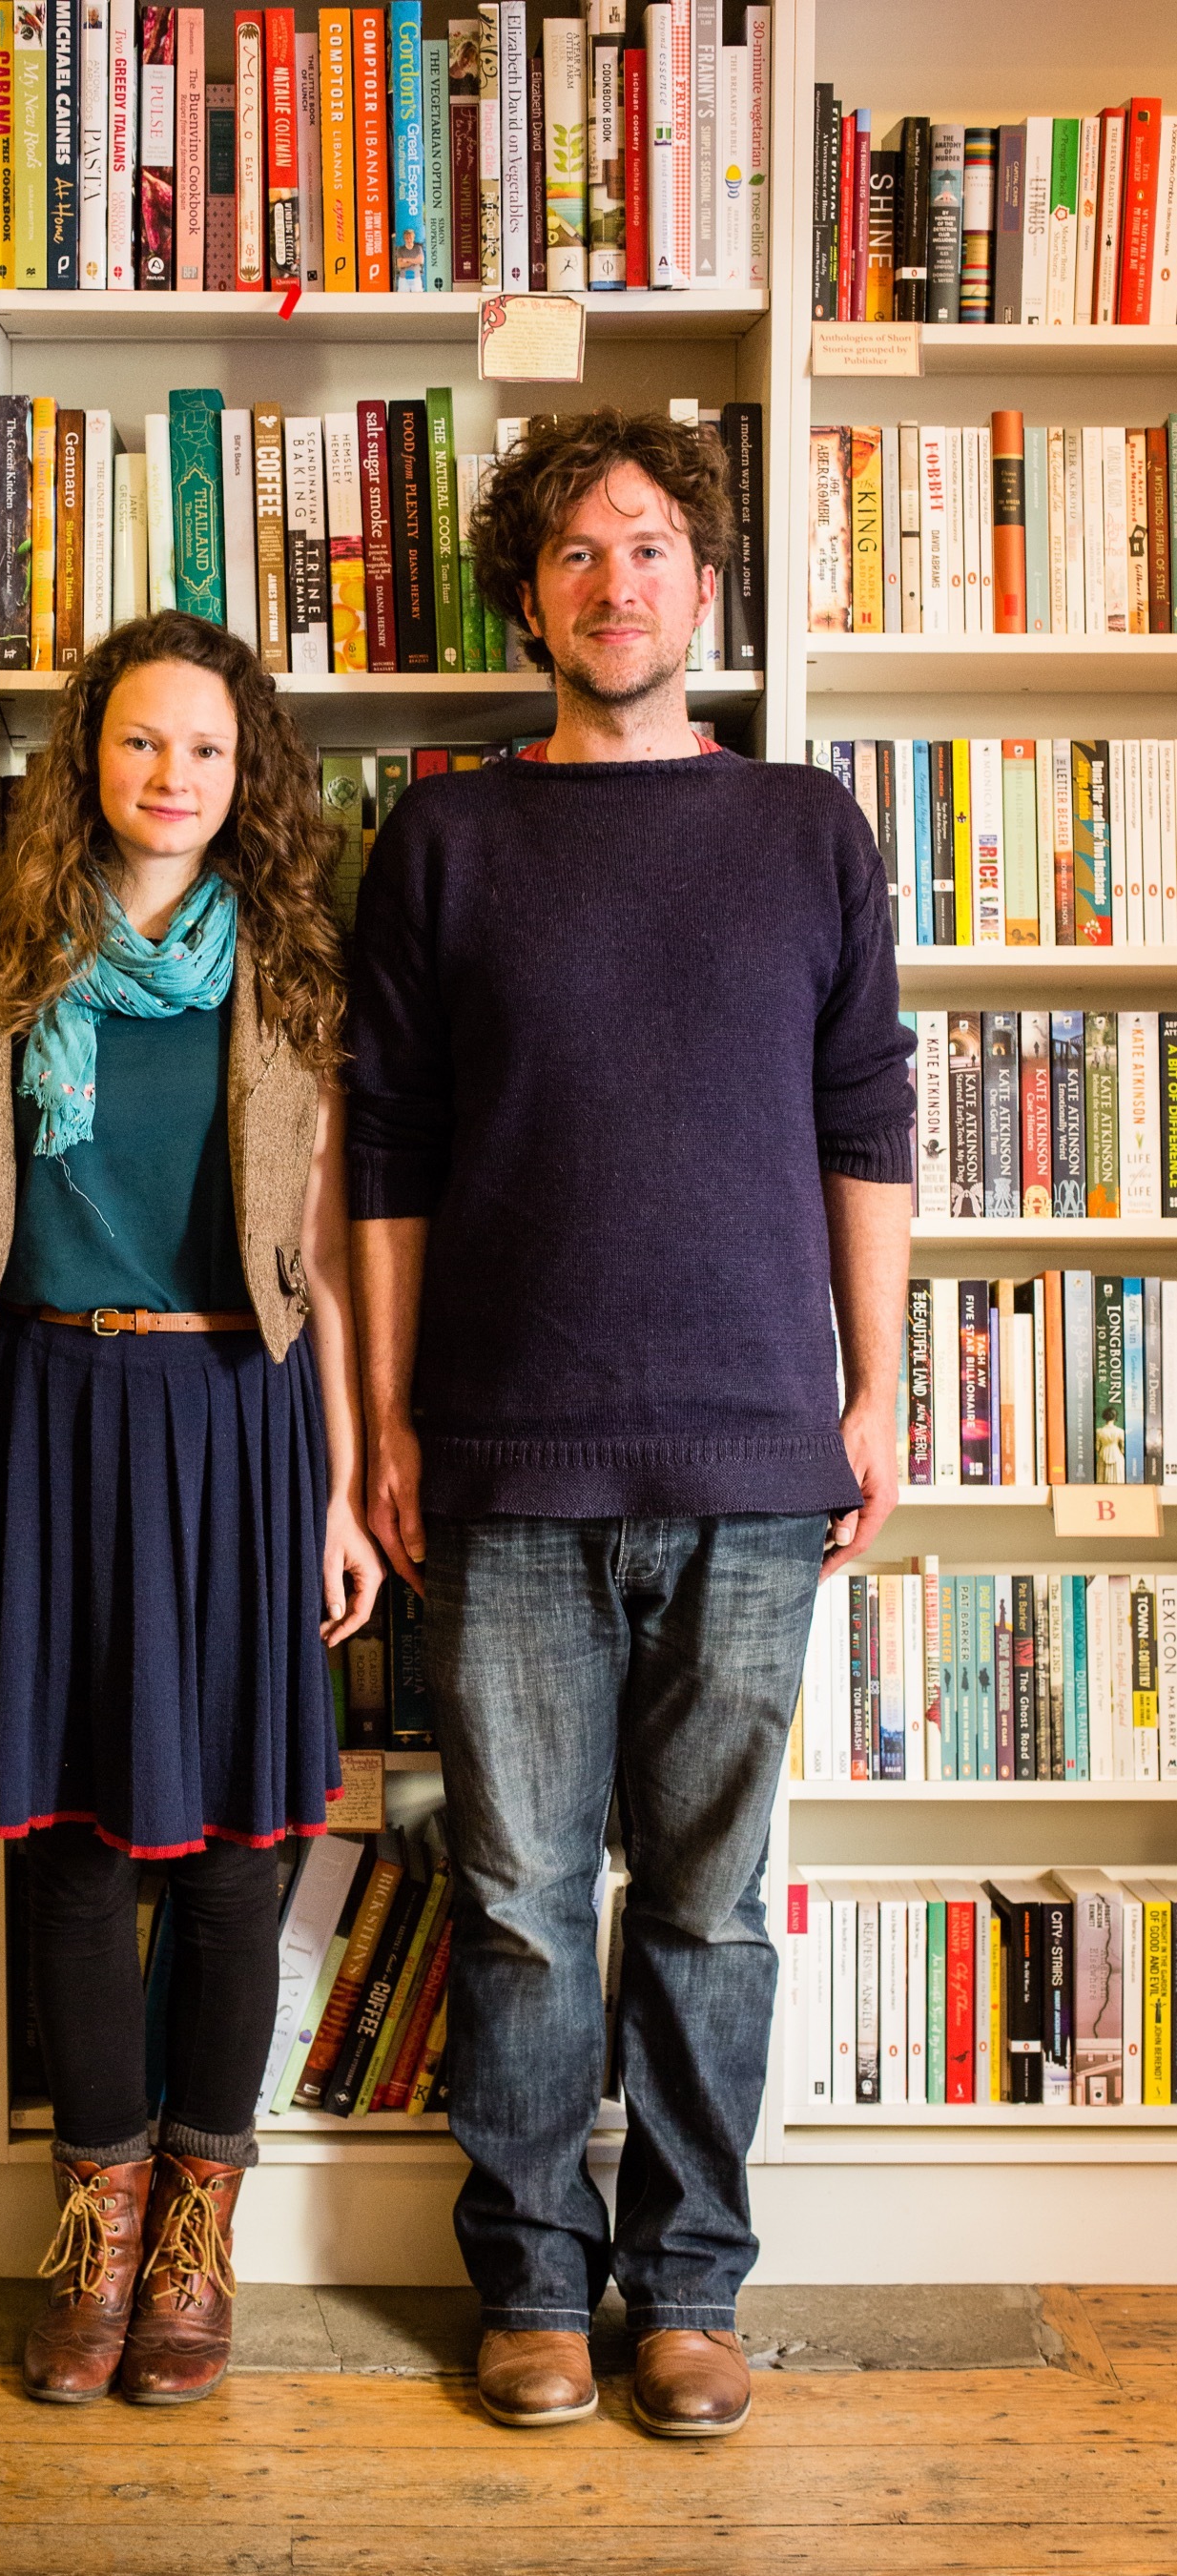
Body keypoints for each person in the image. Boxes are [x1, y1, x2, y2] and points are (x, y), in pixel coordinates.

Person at [345, 408, 915, 2439]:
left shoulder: (804, 831)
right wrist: (398, 1416)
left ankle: (685, 2287)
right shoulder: (444, 838)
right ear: (528, 595)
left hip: (757, 1460)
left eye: (652, 544)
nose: (618, 580)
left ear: (705, 583)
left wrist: (877, 1388)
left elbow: (866, 1129)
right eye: (578, 551)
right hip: (501, 1460)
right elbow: (383, 1156)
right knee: (509, 1897)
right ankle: (527, 2282)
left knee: (705, 1906)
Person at [0, 611, 380, 2408]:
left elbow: (322, 1264)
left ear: (246, 770)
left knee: (247, 1855)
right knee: (80, 1848)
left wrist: (337, 1491)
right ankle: (91, 2221)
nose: (170, 776)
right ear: (84, 762)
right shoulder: (10, 962)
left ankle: (200, 2229)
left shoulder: (288, 969)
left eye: (204, 747)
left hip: (239, 1426)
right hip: (52, 1417)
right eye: (136, 743)